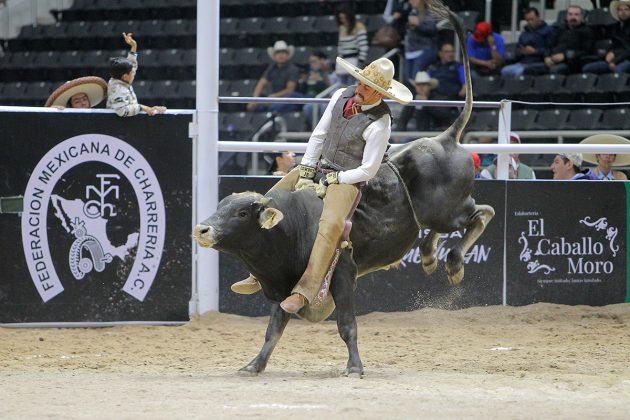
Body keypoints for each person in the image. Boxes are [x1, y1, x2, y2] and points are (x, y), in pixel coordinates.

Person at [231, 57, 412, 313]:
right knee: (266, 202)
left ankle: (304, 291)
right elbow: (319, 133)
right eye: (360, 82)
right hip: (319, 165)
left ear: (379, 93)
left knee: (331, 226)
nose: (360, 88)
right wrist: (306, 168)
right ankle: (256, 273)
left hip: (347, 179)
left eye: (367, 86)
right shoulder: (340, 95)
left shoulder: (381, 123)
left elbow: (368, 169)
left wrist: (337, 178)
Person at [106, 33, 166, 117]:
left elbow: (131, 66)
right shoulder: (118, 89)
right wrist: (143, 108)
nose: (133, 72)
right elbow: (123, 111)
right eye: (131, 72)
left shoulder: (120, 77)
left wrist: (134, 46)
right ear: (125, 76)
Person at [246, 40, 302, 113]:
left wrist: (274, 96)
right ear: (274, 56)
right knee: (255, 108)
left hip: (287, 99)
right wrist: (254, 99)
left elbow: (290, 90)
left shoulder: (292, 69)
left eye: (283, 52)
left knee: (275, 107)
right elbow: (261, 83)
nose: (281, 55)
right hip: (274, 99)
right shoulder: (272, 68)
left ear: (287, 55)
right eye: (278, 52)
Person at [501, 7, 553, 77]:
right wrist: (521, 51)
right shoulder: (524, 33)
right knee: (504, 70)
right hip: (523, 62)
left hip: (538, 62)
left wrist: (535, 51)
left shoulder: (548, 31)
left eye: (532, 19)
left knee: (518, 72)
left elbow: (550, 49)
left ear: (538, 17)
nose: (530, 22)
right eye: (527, 20)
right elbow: (518, 50)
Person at [582, 0, 630, 74]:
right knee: (587, 68)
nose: (623, 12)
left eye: (626, 9)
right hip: (615, 58)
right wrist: (610, 53)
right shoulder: (616, 27)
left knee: (618, 70)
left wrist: (615, 60)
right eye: (620, 9)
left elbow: (628, 49)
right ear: (617, 12)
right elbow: (614, 43)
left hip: (627, 59)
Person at [543, 5, 593, 74]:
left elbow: (586, 51)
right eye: (570, 14)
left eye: (576, 15)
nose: (573, 17)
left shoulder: (587, 31)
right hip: (551, 61)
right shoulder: (559, 29)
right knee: (528, 69)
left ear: (581, 17)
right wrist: (546, 57)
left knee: (554, 70)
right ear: (566, 16)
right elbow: (548, 46)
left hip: (571, 63)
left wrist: (565, 56)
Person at [403, 0, 438, 87]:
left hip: (423, 49)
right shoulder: (411, 11)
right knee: (407, 79)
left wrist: (418, 24)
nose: (410, 2)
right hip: (410, 50)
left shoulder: (429, 13)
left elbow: (432, 29)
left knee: (417, 78)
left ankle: (421, 97)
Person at [335, 4, 369, 86]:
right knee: (342, 87)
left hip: (354, 61)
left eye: (343, 13)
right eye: (339, 13)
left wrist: (360, 62)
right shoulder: (342, 28)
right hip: (342, 63)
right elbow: (340, 48)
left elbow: (363, 47)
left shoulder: (359, 27)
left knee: (352, 86)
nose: (340, 16)